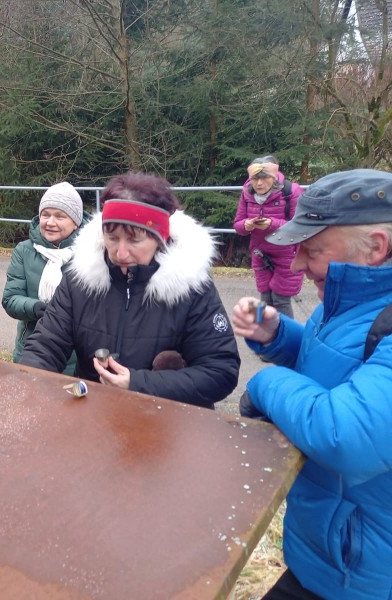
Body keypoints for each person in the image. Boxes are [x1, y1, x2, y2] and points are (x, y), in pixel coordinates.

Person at [231, 168, 392, 600]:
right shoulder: (346, 300)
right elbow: (344, 363)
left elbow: (346, 434)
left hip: (365, 578)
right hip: (328, 556)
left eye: (313, 250)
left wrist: (267, 382)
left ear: (376, 247)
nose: (297, 265)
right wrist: (280, 336)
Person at [20, 172, 240, 408]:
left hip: (167, 424)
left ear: (160, 238)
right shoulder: (79, 279)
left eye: (134, 241)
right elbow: (45, 345)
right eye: (112, 237)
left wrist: (137, 383)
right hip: (93, 417)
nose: (120, 253)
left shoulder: (191, 286)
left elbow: (220, 372)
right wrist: (26, 385)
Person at [2, 182, 91, 374]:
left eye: (60, 216)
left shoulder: (91, 254)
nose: (50, 222)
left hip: (76, 359)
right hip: (31, 350)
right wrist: (37, 308)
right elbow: (10, 299)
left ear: (75, 221)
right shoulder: (24, 251)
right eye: (46, 214)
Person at [233, 155, 303, 319]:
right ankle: (264, 338)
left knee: (281, 300)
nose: (258, 184)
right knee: (265, 299)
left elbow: (300, 225)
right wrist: (246, 225)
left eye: (264, 178)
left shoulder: (291, 192)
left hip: (287, 254)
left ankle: (286, 340)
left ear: (274, 177)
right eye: (255, 179)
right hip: (260, 254)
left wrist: (272, 223)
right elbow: (238, 225)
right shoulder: (246, 194)